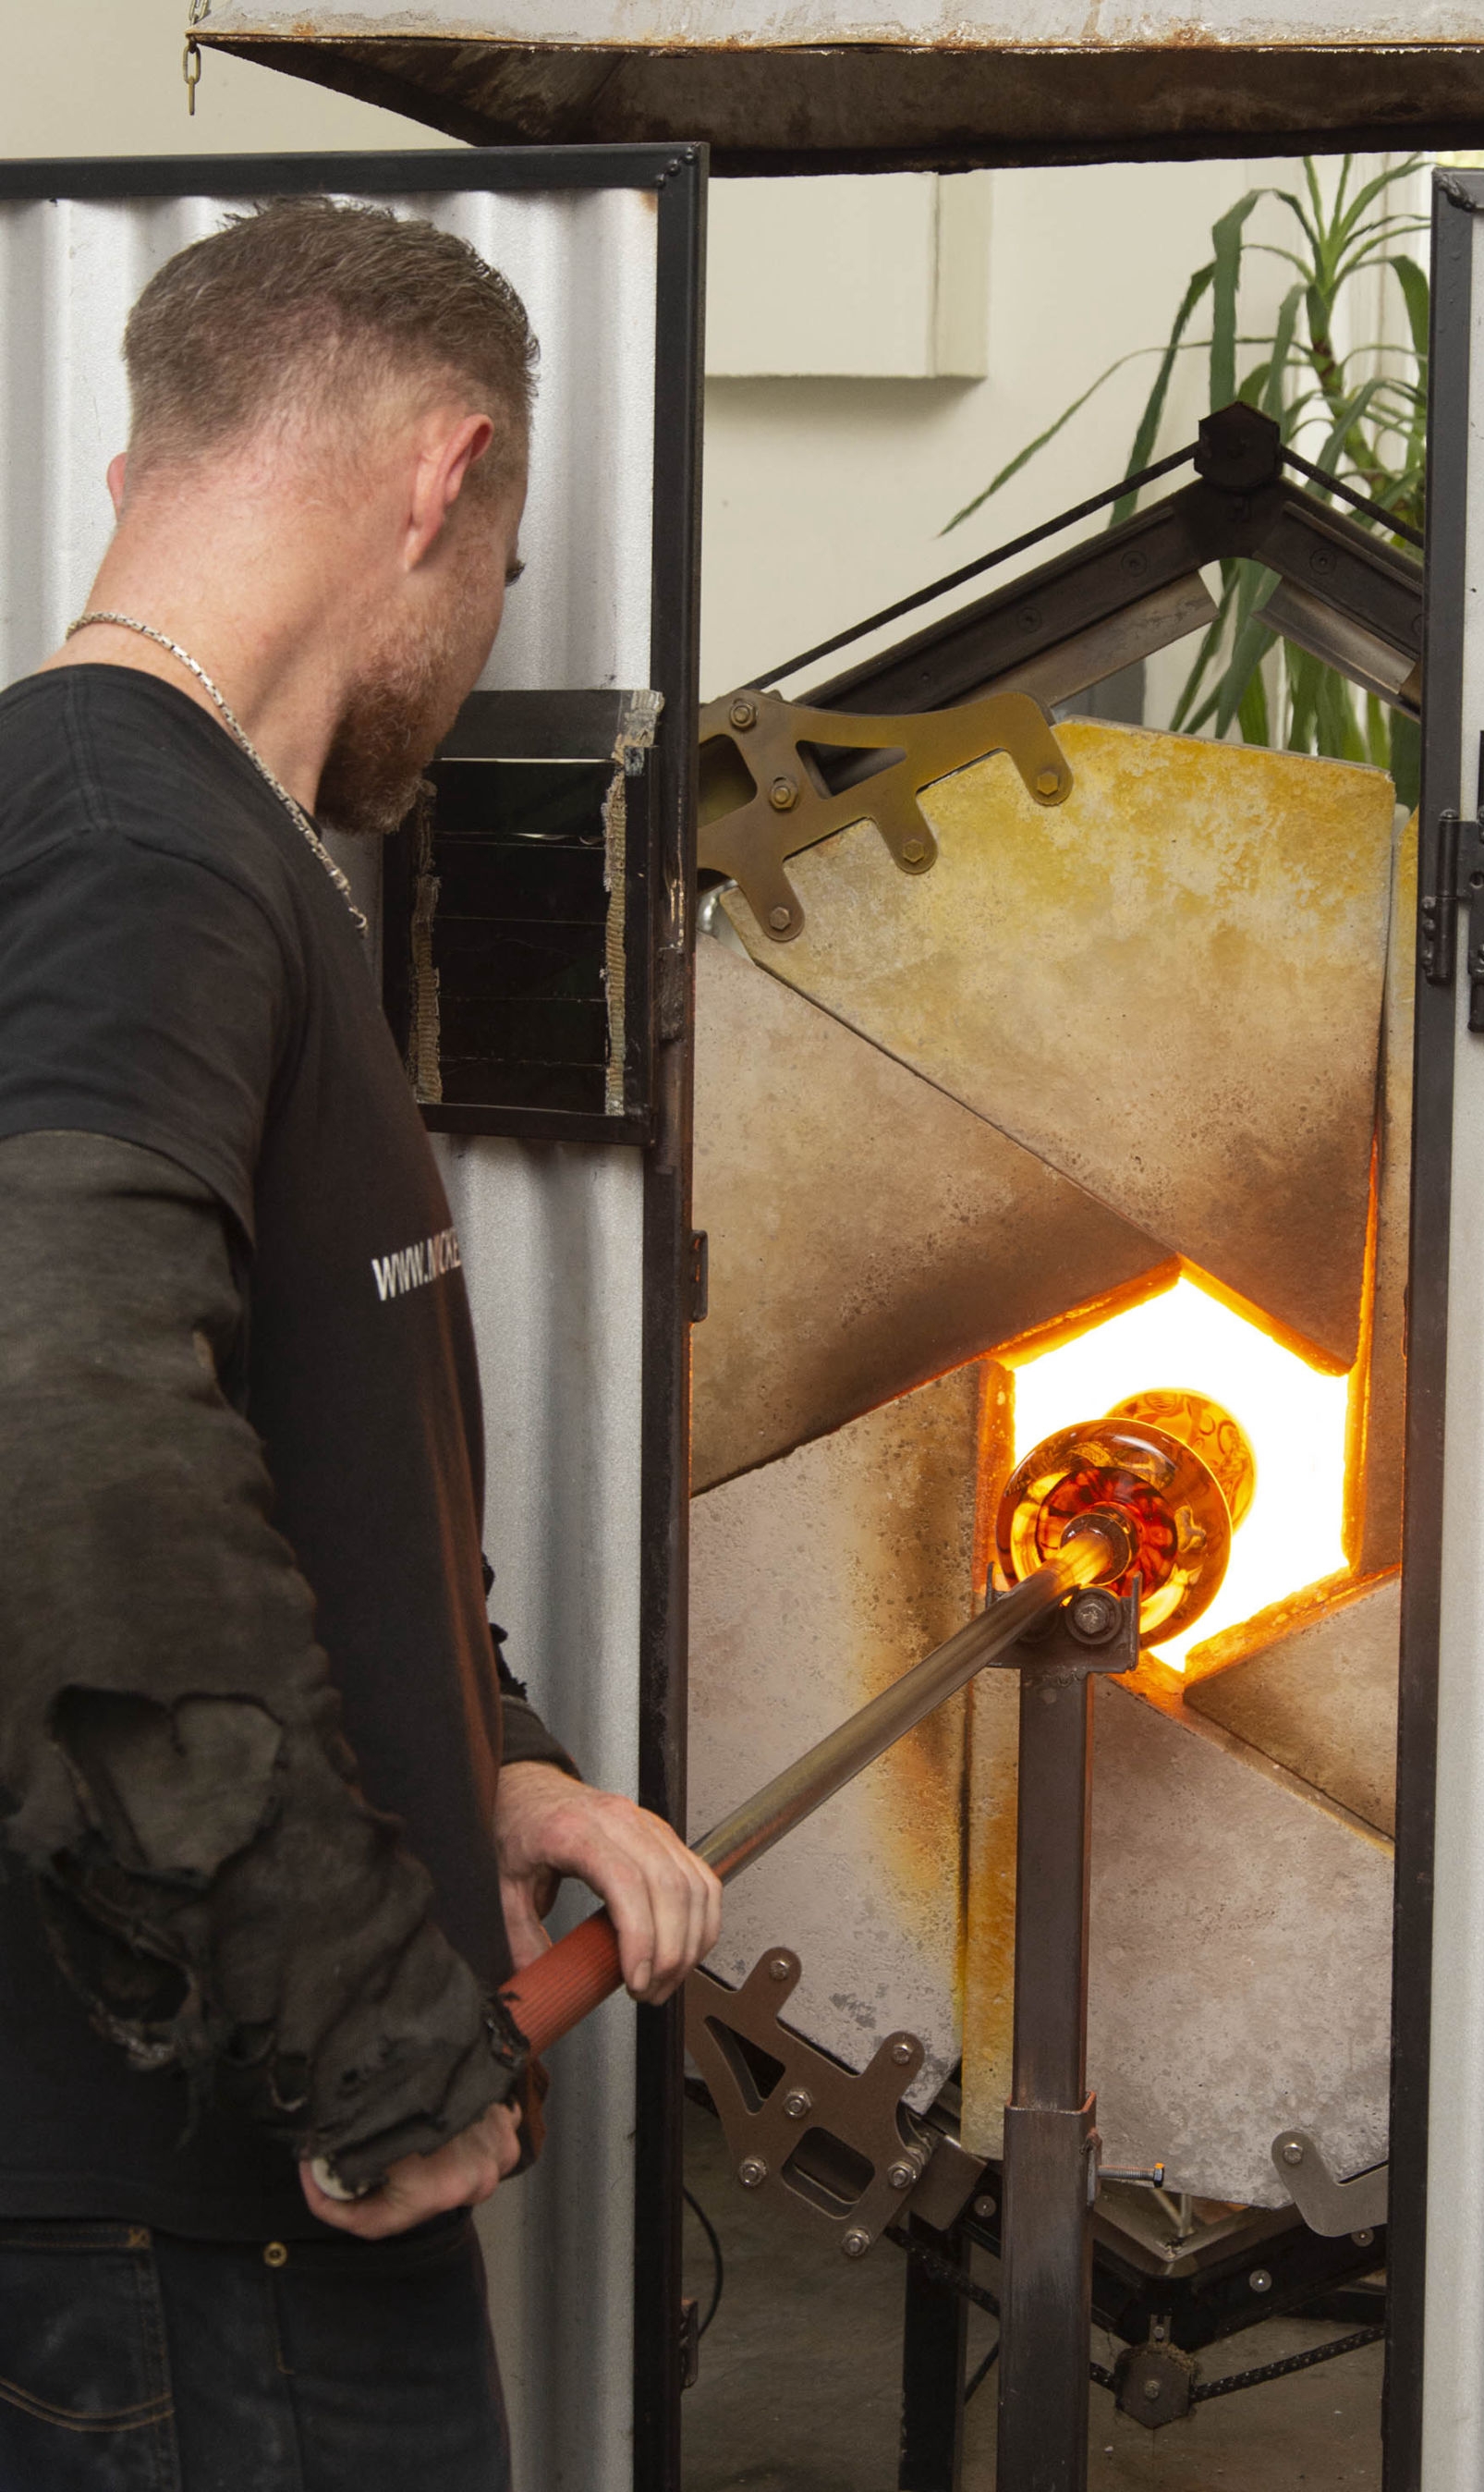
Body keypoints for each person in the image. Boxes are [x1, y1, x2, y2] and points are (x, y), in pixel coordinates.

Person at [0, 196, 721, 2490]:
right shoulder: (137, 857)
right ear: (446, 475)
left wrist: (490, 1763)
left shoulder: (141, 836)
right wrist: (369, 2028)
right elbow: (63, 1431)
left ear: (139, 471)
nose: (485, 629)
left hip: (192, 2208)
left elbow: (268, 1434)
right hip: (195, 2228)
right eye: (502, 572)